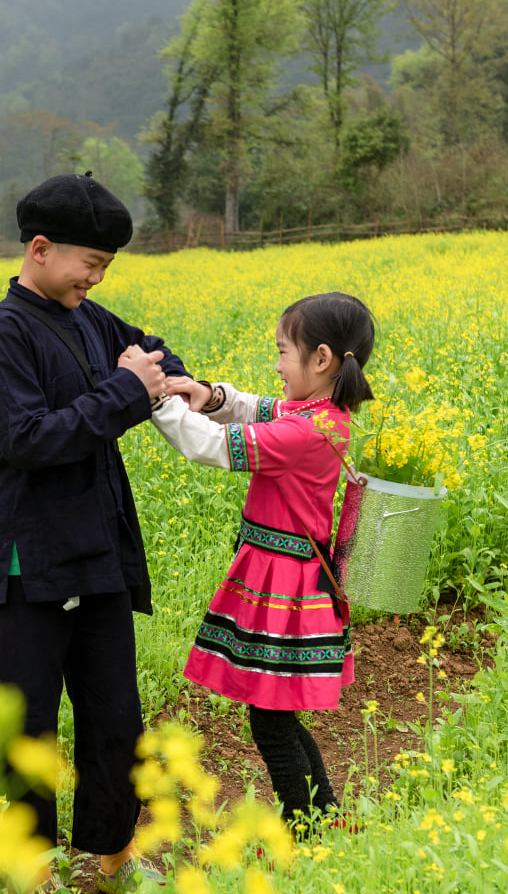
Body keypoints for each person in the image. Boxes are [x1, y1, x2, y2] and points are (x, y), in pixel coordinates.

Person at [0, 173, 184, 894]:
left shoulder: (89, 318)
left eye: (105, 269)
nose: (95, 279)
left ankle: (113, 854)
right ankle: (30, 875)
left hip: (96, 550)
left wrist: (182, 383)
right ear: (39, 249)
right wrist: (131, 392)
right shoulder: (9, 332)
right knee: (29, 721)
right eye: (88, 264)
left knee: (112, 711)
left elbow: (150, 352)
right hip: (32, 558)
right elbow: (28, 440)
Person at [151, 292, 377, 825]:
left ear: (320, 359)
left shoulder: (304, 432)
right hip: (289, 581)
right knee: (278, 715)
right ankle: (324, 818)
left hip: (287, 591)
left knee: (271, 723)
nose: (276, 365)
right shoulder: (323, 414)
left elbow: (213, 446)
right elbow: (253, 408)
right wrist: (203, 392)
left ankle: (305, 830)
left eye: (282, 352)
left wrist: (155, 401)